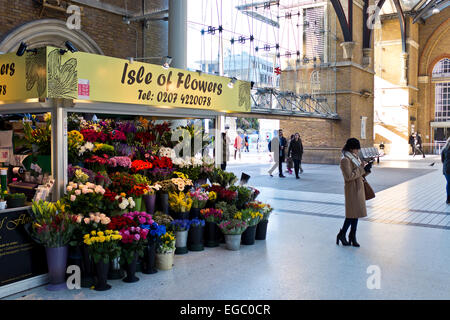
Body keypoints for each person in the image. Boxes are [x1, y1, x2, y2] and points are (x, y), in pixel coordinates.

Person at [336, 138, 372, 247]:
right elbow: (348, 176)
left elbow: (359, 173)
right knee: (351, 214)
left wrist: (367, 169)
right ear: (352, 148)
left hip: (359, 188)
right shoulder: (345, 160)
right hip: (352, 190)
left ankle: (351, 236)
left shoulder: (355, 157)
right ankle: (343, 234)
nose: (358, 151)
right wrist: (362, 168)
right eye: (357, 149)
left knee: (355, 214)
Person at [441, 137, 450, 204]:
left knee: (449, 183)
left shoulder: (444, 149)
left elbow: (442, 160)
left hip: (446, 169)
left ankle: (448, 199)